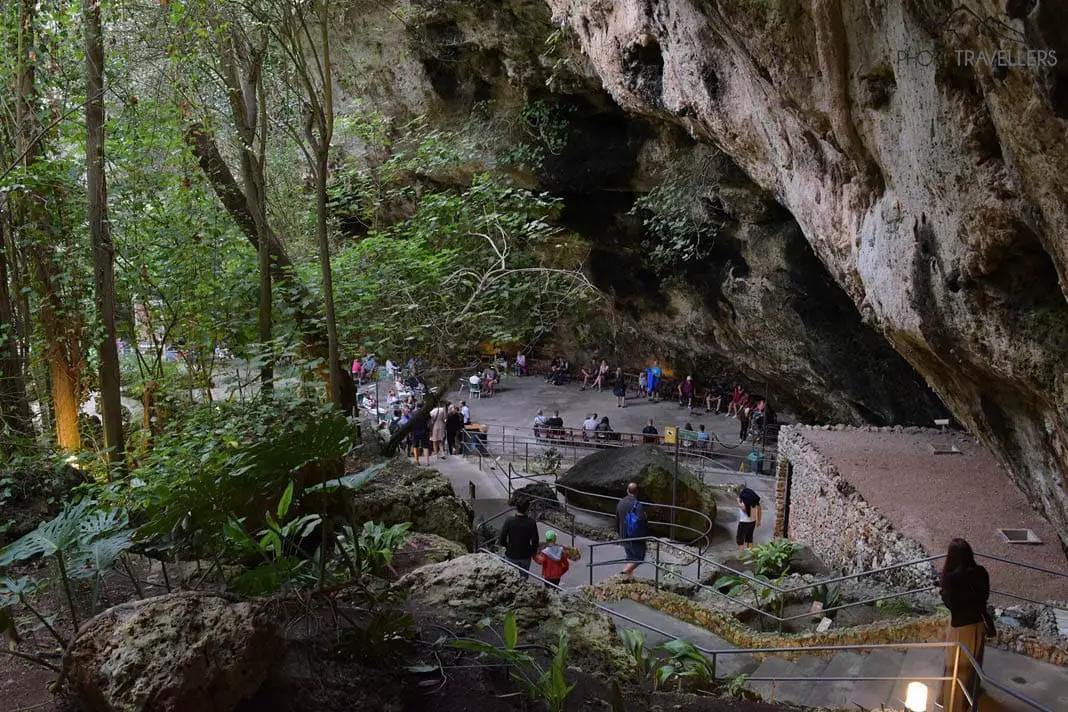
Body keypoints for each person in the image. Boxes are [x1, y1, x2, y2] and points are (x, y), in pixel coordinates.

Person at [939, 538, 991, 712]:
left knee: (956, 669)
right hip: (978, 626)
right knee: (973, 666)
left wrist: (943, 592)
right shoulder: (981, 572)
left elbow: (952, 605)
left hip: (960, 628)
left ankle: (953, 705)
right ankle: (969, 698)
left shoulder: (952, 579)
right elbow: (985, 596)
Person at [498, 498, 539, 578]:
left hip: (511, 553)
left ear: (517, 508)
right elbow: (535, 540)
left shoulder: (509, 521)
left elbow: (502, 538)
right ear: (527, 508)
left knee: (509, 576)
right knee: (524, 577)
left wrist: (507, 546)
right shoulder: (531, 522)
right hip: (525, 555)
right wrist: (533, 552)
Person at [615, 483, 647, 575]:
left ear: (627, 491)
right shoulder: (638, 506)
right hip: (634, 538)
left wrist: (619, 533)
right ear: (637, 492)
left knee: (631, 558)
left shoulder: (620, 503)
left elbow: (617, 520)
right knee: (639, 558)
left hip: (623, 535)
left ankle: (628, 578)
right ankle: (624, 573)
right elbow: (642, 522)